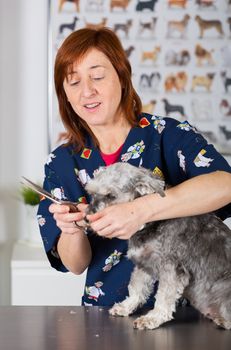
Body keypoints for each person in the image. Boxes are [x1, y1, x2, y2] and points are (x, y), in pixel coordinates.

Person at [37, 27, 231, 307]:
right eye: (73, 82)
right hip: (108, 314)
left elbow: (224, 184)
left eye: (98, 76)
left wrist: (142, 209)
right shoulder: (63, 162)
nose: (87, 91)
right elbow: (75, 264)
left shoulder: (167, 134)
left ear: (122, 77)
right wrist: (71, 229)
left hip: (190, 311)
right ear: (64, 94)